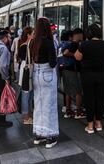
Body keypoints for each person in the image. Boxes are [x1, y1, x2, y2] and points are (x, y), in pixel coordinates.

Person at [75, 24, 104, 134]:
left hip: (87, 76)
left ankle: (90, 126)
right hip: (101, 75)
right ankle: (99, 123)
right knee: (100, 98)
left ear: (89, 34)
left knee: (89, 99)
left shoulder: (84, 44)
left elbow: (77, 57)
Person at [30, 17, 58, 148]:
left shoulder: (32, 42)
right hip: (47, 74)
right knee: (49, 105)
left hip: (36, 74)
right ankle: (50, 136)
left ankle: (38, 134)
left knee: (38, 104)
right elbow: (53, 63)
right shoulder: (48, 42)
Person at [62, 28, 85, 119]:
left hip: (66, 69)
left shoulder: (67, 43)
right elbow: (66, 53)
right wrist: (76, 55)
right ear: (78, 35)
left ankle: (68, 111)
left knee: (67, 91)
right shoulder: (74, 44)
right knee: (78, 91)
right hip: (73, 70)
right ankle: (78, 112)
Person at [18, 26, 34, 124]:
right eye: (33, 34)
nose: (34, 35)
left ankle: (28, 114)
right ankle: (26, 117)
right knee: (26, 92)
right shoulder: (25, 46)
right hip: (27, 69)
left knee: (28, 92)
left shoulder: (24, 44)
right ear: (28, 35)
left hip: (26, 69)